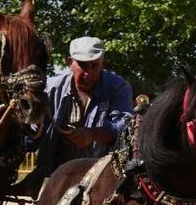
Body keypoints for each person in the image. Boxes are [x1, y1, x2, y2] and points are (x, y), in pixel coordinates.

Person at [19, 36, 133, 196]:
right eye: (83, 65)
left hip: (99, 174)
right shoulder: (50, 89)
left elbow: (123, 128)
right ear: (69, 63)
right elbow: (31, 135)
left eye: (95, 66)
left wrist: (92, 134)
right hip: (55, 173)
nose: (89, 72)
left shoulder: (118, 88)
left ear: (102, 63)